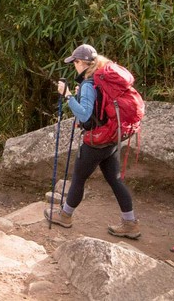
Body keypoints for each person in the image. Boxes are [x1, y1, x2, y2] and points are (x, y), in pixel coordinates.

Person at [45, 44, 141, 239]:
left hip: (97, 141)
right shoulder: (99, 78)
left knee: (78, 178)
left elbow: (85, 114)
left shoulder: (90, 84)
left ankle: (65, 216)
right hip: (111, 139)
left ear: (81, 63)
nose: (74, 66)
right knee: (115, 180)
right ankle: (130, 223)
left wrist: (69, 95)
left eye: (75, 63)